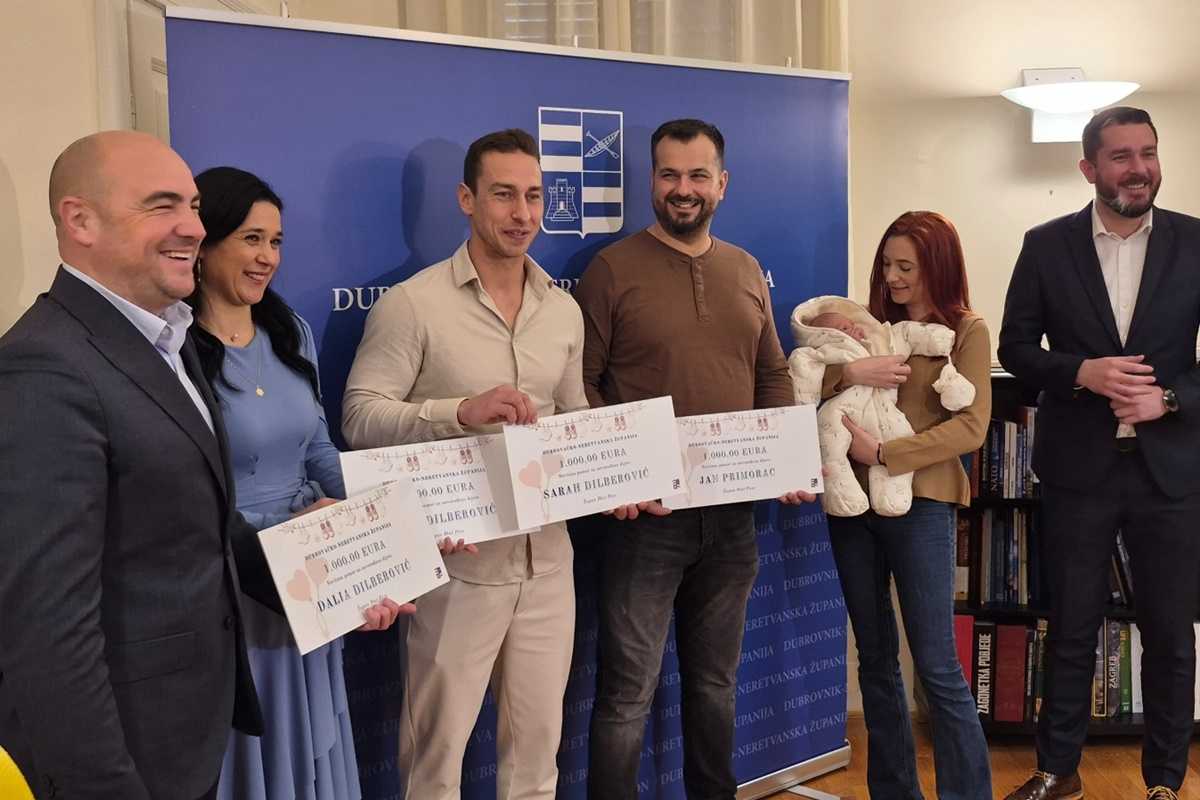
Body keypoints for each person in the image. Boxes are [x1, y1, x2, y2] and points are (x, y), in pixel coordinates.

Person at [0, 130, 268, 800]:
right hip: (121, 758)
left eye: (194, 206)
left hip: (186, 737)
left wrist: (340, 577)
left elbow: (199, 525)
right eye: (161, 205)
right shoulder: (43, 368)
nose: (194, 228)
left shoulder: (167, 337)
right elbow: (47, 627)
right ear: (79, 220)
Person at [341, 128, 587, 800]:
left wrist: (619, 471)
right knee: (435, 762)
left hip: (548, 562)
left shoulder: (563, 310)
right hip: (457, 568)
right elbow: (359, 417)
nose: (522, 213)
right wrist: (460, 411)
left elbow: (573, 416)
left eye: (533, 196)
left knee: (537, 763)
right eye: (504, 195)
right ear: (466, 199)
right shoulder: (412, 305)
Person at [574, 117, 815, 799]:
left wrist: (787, 460)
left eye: (698, 175)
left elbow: (771, 373)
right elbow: (581, 386)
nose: (683, 189)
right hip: (646, 523)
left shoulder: (745, 269)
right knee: (628, 693)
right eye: (669, 174)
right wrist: (617, 474)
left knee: (715, 684)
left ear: (722, 183)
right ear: (652, 181)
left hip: (733, 519)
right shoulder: (611, 270)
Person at [1000, 107, 1200, 800]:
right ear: (1089, 168)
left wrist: (1168, 400)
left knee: (1170, 635)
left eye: (1148, 152)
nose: (1138, 168)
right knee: (1071, 628)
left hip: (1170, 473)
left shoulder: (1196, 241)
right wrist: (1080, 372)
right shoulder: (1045, 245)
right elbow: (1015, 348)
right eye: (1121, 156)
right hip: (1077, 471)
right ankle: (1058, 771)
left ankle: (1164, 783)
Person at [186, 166, 405, 800]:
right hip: (237, 580)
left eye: (276, 241)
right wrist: (286, 537)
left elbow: (319, 450)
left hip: (313, 572)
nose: (268, 258)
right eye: (252, 239)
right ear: (205, 243)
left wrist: (397, 518)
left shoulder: (291, 333)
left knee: (308, 752)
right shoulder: (174, 349)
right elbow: (188, 488)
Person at [821, 211, 993, 799]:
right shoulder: (866, 327)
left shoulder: (966, 330)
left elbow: (971, 426)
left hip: (922, 506)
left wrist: (885, 454)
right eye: (887, 265)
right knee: (874, 659)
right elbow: (808, 383)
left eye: (906, 268)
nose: (892, 277)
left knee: (937, 666)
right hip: (853, 508)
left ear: (937, 268)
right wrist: (851, 369)